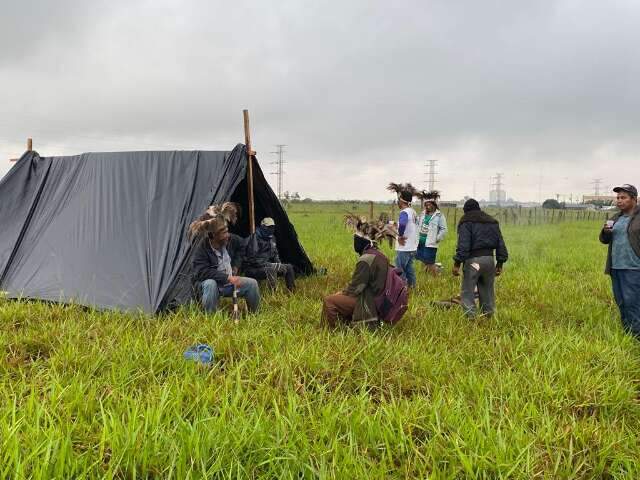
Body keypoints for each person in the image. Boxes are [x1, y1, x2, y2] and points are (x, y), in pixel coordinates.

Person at [322, 224, 389, 328]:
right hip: (378, 299)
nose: (355, 242)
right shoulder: (379, 254)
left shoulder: (366, 259)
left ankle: (331, 331)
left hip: (368, 302)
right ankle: (346, 325)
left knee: (329, 301)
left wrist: (341, 293)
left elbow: (355, 289)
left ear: (363, 242)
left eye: (357, 239)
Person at [191, 214, 260, 314]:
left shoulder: (230, 240)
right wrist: (227, 278)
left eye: (227, 231)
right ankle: (211, 318)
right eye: (223, 233)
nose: (227, 235)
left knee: (252, 284)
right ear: (212, 235)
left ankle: (255, 315)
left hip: (228, 283)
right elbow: (201, 272)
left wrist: (236, 265)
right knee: (211, 284)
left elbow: (242, 246)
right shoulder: (201, 249)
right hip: (211, 286)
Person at [452, 199, 508, 317]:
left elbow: (463, 245)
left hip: (473, 262)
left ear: (465, 210)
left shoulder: (466, 221)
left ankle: (470, 318)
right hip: (489, 260)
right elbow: (500, 243)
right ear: (478, 208)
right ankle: (488, 316)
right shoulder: (492, 221)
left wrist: (457, 263)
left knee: (467, 291)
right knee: (487, 291)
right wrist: (500, 263)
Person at [599, 184, 640, 338]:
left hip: (634, 268)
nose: (619, 201)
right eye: (617, 198)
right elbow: (604, 239)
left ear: (634, 199)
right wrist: (605, 232)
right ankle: (627, 333)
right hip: (616, 267)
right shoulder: (616, 218)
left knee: (633, 303)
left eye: (623, 197)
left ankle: (636, 336)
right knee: (621, 301)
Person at [243, 217, 296, 292]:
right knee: (271, 269)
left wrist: (278, 264)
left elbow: (275, 254)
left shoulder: (272, 238)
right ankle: (273, 294)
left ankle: (292, 291)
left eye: (272, 227)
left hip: (266, 265)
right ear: (263, 227)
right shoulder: (254, 238)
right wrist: (269, 265)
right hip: (253, 269)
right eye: (269, 227)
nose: (271, 229)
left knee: (289, 267)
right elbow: (252, 260)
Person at [387, 183, 418, 288]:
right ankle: (412, 286)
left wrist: (399, 234)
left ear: (402, 201)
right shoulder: (413, 212)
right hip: (412, 246)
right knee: (409, 268)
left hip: (404, 247)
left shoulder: (404, 212)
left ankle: (402, 288)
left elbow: (404, 224)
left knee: (399, 268)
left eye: (398, 200)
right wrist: (396, 225)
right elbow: (409, 226)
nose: (397, 202)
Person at [416, 190, 448, 275]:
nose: (428, 206)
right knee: (422, 260)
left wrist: (437, 238)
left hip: (431, 242)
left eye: (429, 204)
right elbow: (418, 224)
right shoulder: (423, 214)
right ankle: (424, 275)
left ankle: (436, 276)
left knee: (430, 262)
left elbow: (444, 229)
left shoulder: (439, 215)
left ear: (434, 205)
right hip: (421, 241)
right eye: (426, 205)